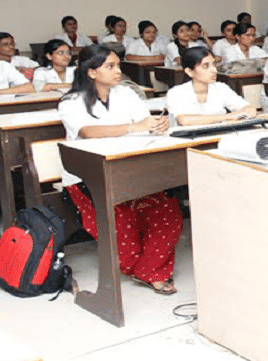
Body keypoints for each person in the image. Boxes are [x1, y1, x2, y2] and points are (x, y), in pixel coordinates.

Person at [59, 45, 182, 294]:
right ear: (92, 72)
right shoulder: (70, 102)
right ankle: (145, 268)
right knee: (124, 248)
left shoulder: (126, 94)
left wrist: (156, 124)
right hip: (89, 177)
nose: (118, 71)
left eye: (117, 65)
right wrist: (134, 126)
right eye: (110, 66)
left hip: (131, 170)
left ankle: (149, 271)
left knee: (168, 212)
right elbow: (87, 131)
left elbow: (144, 124)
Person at [167, 47, 256, 126]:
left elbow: (248, 107)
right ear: (189, 71)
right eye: (205, 66)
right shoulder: (176, 92)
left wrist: (247, 110)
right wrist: (229, 116)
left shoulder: (221, 88)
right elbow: (184, 120)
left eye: (214, 64)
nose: (214, 70)